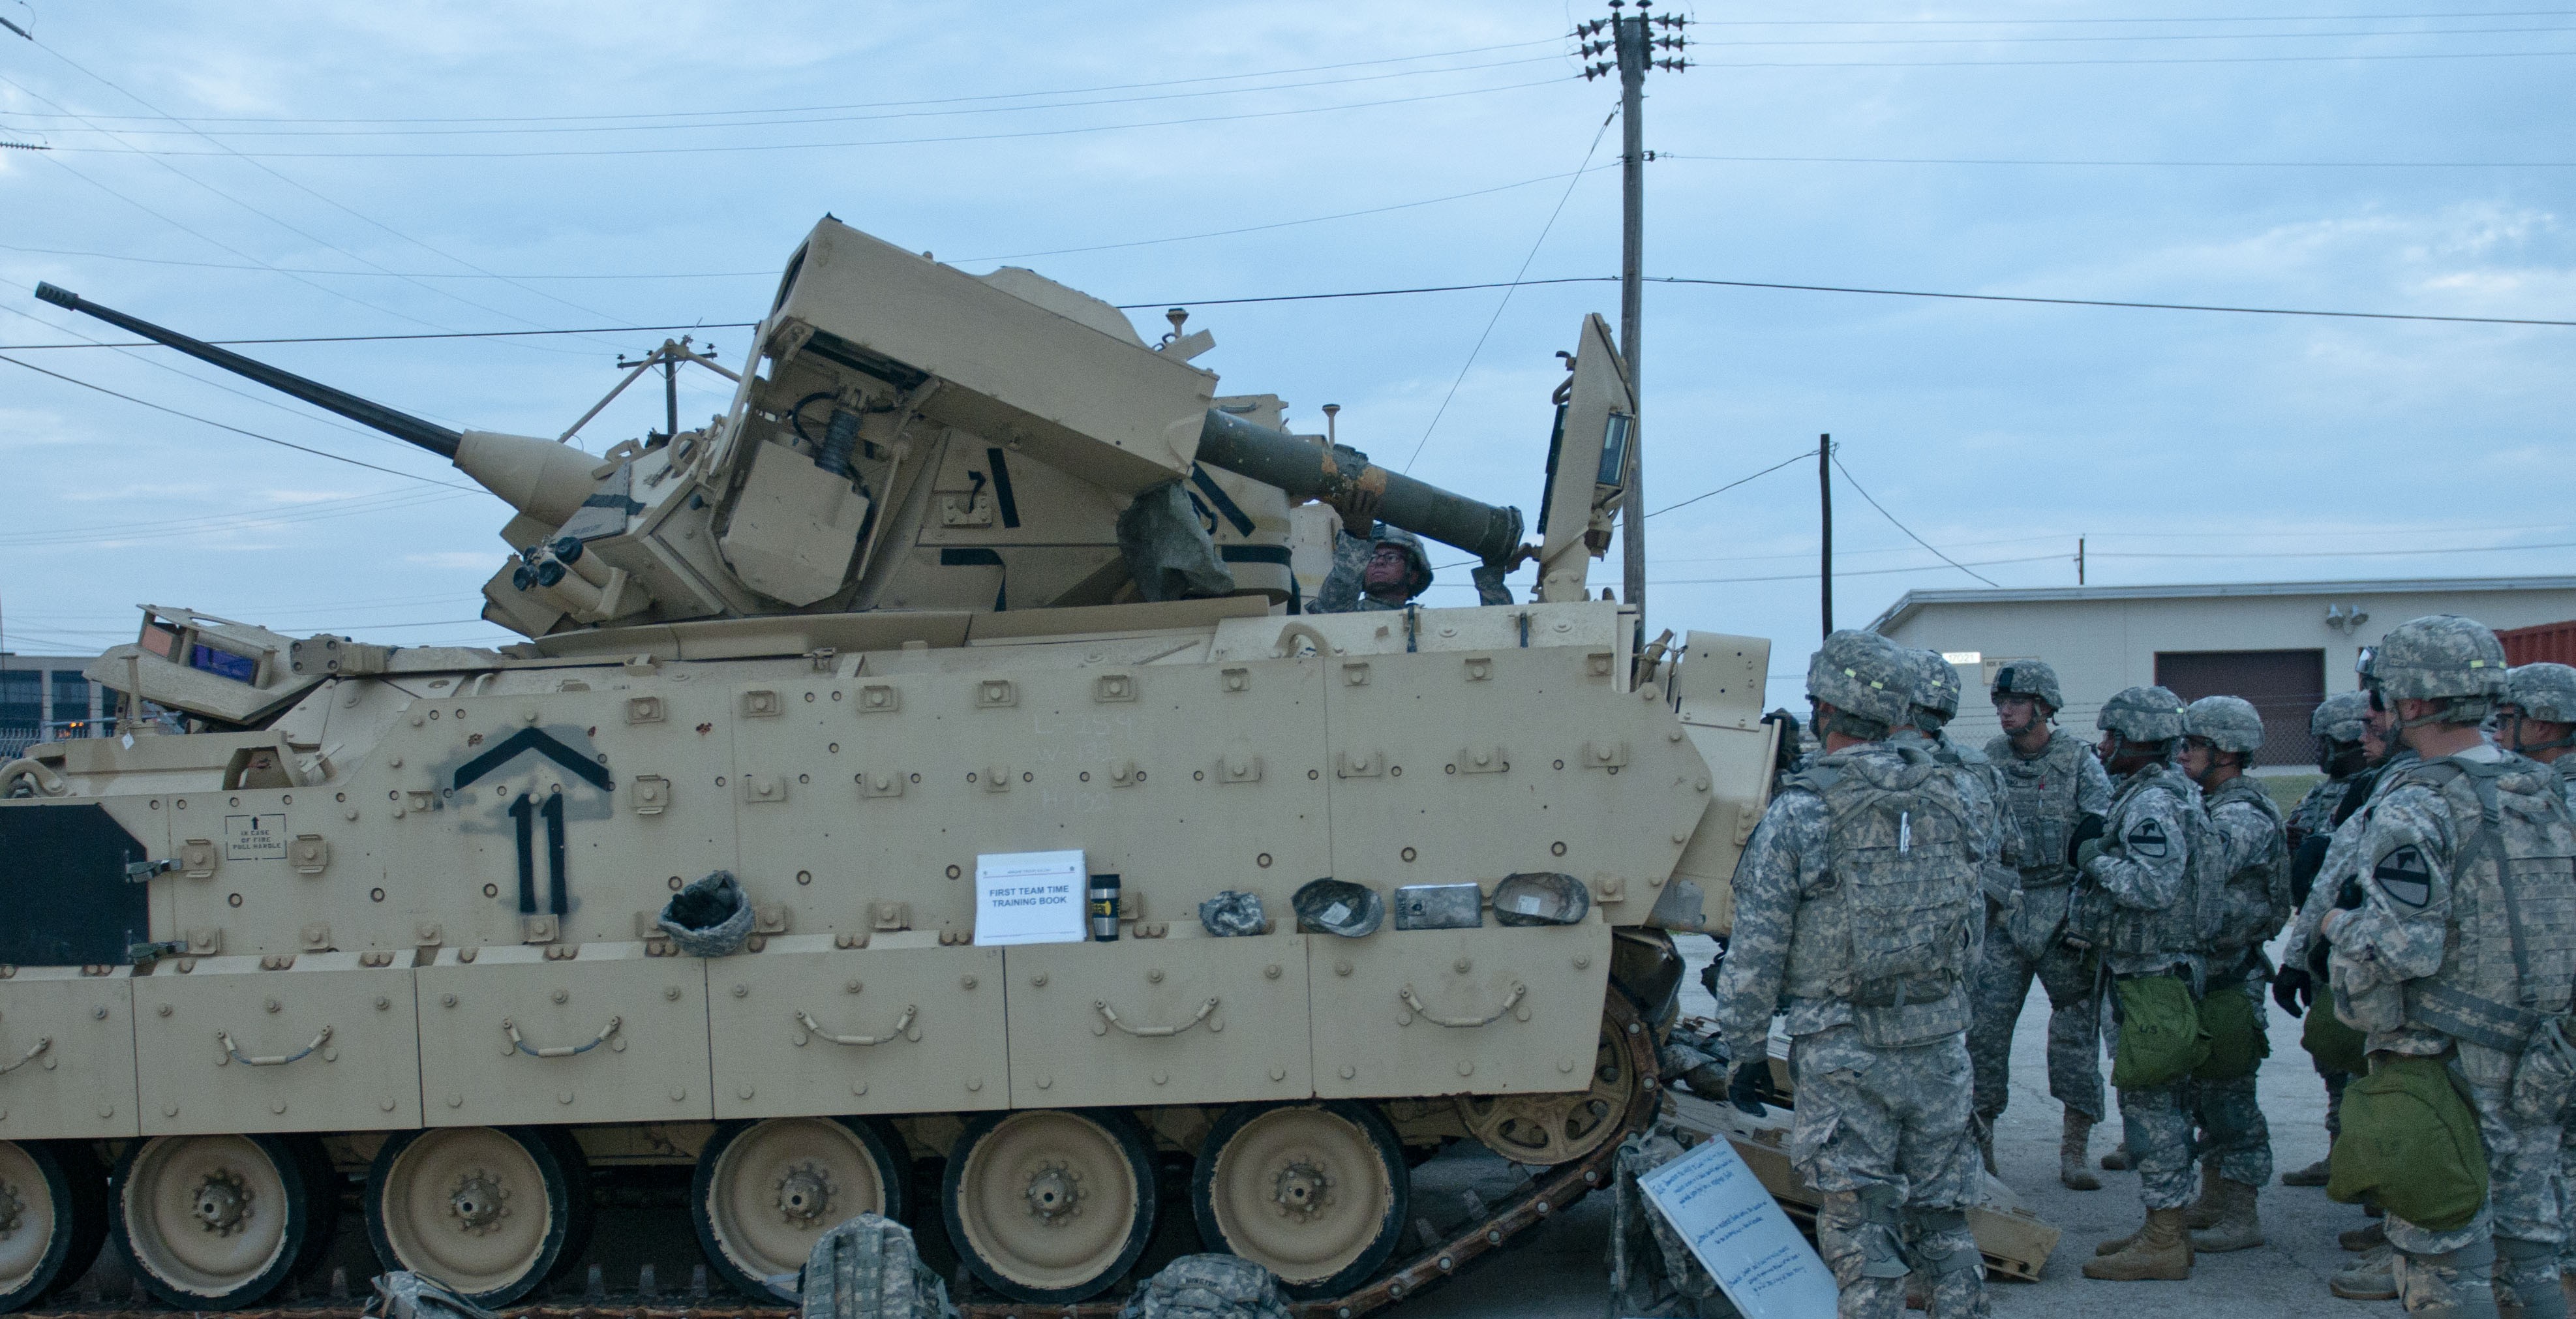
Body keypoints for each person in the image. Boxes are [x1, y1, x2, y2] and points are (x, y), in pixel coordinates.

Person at [1709, 629, 1989, 1318]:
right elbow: (1973, 926)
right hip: (1939, 1043)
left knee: (1862, 1228)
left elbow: (1757, 947)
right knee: (1944, 1220)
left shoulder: (1802, 810)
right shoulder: (1959, 794)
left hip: (1843, 1050)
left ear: (1826, 711)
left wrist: (1744, 1048)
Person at [2321, 615, 2576, 1319]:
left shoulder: (2415, 804)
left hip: (2444, 1068)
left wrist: (2335, 924)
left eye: (2383, 697)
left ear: (2413, 704)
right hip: (2543, 1064)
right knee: (2532, 1257)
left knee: (2445, 1268)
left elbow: (2404, 950)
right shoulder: (2549, 791)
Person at [2074, 686, 2213, 1282]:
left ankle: (2163, 1238)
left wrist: (2091, 859)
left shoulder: (2153, 802)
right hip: (2150, 969)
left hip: (2153, 971)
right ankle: (2164, 1227)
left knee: (2153, 1105)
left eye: (2112, 737)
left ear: (2138, 742)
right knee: (2156, 1101)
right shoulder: (2163, 793)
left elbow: (2151, 888)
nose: (2104, 747)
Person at [1966, 660, 2115, 1190]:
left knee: (2074, 1034)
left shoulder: (2078, 760)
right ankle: (1978, 1143)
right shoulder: (1989, 760)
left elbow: (2100, 836)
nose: (2005, 711)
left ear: (2044, 706)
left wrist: (2087, 914)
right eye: (2000, 703)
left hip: (2063, 912)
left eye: (2016, 702)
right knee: (1983, 1030)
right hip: (2006, 910)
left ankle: (2074, 1149)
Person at [2175, 695, 2292, 1253]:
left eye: (2191, 745)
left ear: (2223, 752)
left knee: (2231, 1098)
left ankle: (2241, 1212)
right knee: (2205, 1094)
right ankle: (2213, 1196)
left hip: (2230, 974)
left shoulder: (2241, 812)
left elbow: (2204, 861)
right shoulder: (2211, 801)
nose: (2182, 755)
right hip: (2206, 970)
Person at [2494, 661, 2576, 1309]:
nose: (2498, 730)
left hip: (2558, 1008)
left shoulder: (2547, 798)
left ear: (2542, 722)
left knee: (2541, 1146)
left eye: (2507, 718)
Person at [2276, 690, 2374, 1189]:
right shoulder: (2319, 795)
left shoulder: (2370, 792)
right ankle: (2339, 1152)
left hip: (2356, 946)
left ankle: (2365, 1167)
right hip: (2322, 947)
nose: (2317, 751)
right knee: (2331, 1060)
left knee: (2362, 1067)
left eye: (2325, 742)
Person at [1310, 485, 1516, 611]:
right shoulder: (1343, 618)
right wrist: (1356, 538)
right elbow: (1330, 607)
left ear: (1414, 575)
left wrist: (1492, 574)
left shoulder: (1427, 625)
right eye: (1371, 558)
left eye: (1391, 557)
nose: (1379, 561)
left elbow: (1499, 631)